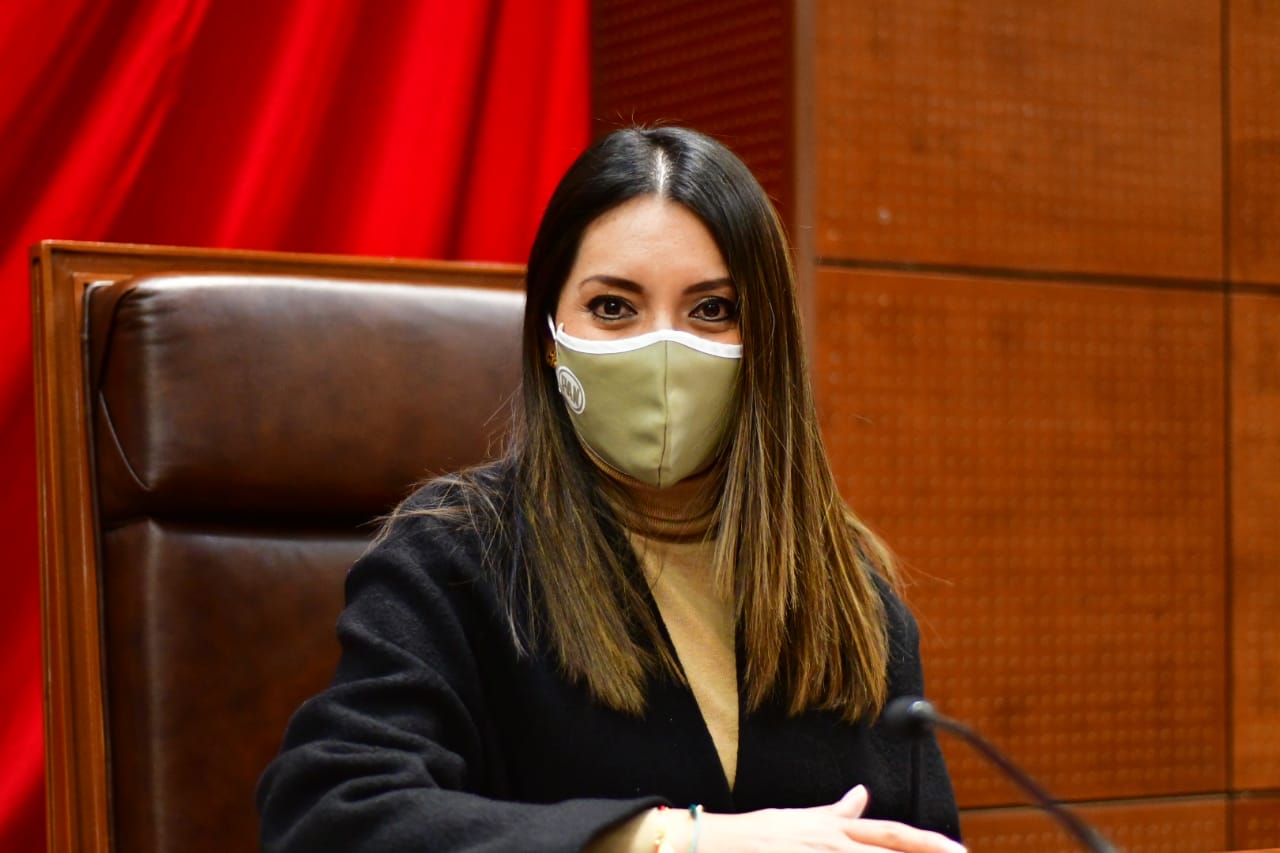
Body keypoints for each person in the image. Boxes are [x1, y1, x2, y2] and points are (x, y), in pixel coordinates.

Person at [257, 126, 962, 853]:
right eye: (614, 307)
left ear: (767, 344)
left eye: (712, 310)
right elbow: (330, 817)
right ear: (549, 336)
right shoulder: (455, 558)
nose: (663, 350)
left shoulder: (850, 592)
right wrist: (677, 842)